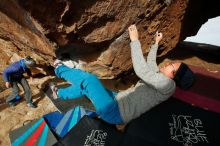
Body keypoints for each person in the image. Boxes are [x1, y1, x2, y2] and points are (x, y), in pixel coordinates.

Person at [50, 24, 195, 124]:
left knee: (89, 80)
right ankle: (60, 94)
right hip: (117, 99)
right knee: (89, 87)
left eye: (172, 67)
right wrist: (156, 43)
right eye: (172, 63)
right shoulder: (160, 78)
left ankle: (59, 69)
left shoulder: (168, 86)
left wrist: (135, 40)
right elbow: (151, 63)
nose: (169, 64)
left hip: (116, 112)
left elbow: (141, 70)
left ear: (174, 77)